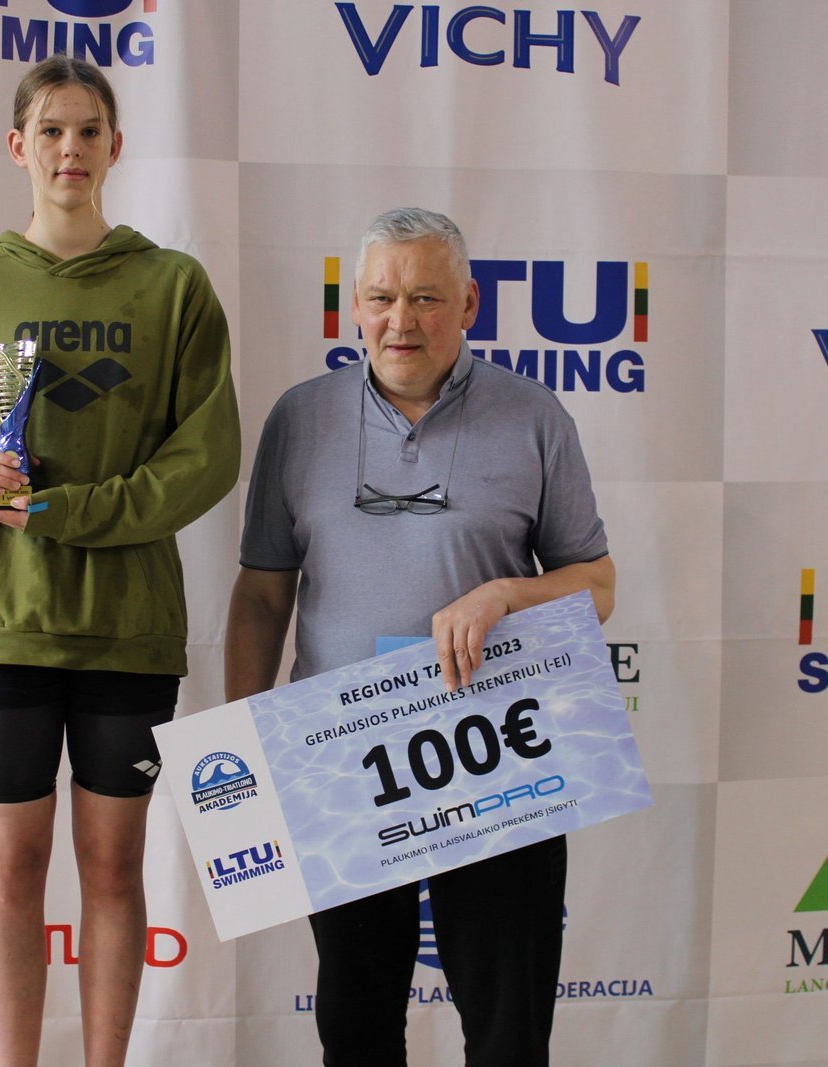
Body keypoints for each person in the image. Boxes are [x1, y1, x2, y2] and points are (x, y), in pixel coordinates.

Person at [0, 55, 238, 1067]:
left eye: (87, 131)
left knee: (115, 867)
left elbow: (205, 458)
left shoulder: (174, 285)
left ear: (116, 147)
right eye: (50, 131)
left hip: (128, 627)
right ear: (18, 146)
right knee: (11, 866)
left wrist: (63, 510)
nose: (69, 149)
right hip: (0, 620)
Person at [225, 207, 614, 1066]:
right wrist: (247, 743)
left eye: (427, 298)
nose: (401, 320)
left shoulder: (534, 415)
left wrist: (507, 592)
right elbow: (260, 594)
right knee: (355, 1023)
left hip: (496, 753)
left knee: (508, 1027)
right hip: (342, 755)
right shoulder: (300, 418)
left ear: (468, 304)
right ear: (353, 308)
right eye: (382, 297)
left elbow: (598, 587)